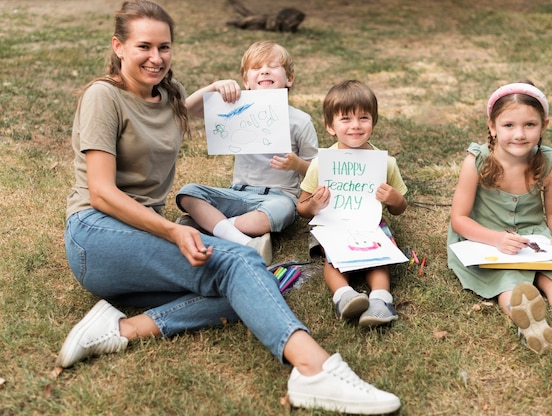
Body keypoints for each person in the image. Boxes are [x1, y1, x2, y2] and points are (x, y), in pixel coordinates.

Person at [56, 2, 401, 414]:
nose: (156, 57)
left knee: (251, 289)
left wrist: (217, 89)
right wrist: (173, 230)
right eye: (143, 46)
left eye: (164, 47)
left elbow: (183, 110)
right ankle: (315, 369)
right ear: (118, 46)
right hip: (96, 234)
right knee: (240, 264)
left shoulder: (166, 93)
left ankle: (121, 328)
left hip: (136, 243)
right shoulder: (103, 96)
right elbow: (100, 193)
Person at [447, 81, 552, 354]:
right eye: (509, 125)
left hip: (533, 237)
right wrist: (496, 239)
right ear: (492, 126)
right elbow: (459, 219)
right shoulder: (476, 162)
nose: (519, 134)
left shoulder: (550, 166)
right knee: (508, 282)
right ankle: (531, 326)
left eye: (529, 125)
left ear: (544, 125)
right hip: (485, 239)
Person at [175, 40, 319, 265]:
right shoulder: (235, 109)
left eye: (273, 66)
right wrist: (214, 87)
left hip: (278, 197)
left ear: (289, 78)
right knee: (188, 193)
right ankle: (242, 239)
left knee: (283, 211)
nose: (264, 70)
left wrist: (296, 164)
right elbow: (188, 109)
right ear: (246, 82)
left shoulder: (300, 121)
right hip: (238, 194)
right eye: (256, 68)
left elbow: (315, 169)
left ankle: (215, 227)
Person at [297, 80, 408, 327]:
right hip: (332, 225)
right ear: (330, 126)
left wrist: (394, 199)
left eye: (363, 118)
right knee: (333, 258)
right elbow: (302, 207)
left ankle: (381, 300)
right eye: (345, 119)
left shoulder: (385, 163)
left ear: (374, 122)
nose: (355, 125)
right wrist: (314, 204)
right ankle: (344, 296)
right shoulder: (321, 164)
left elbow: (400, 208)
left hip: (370, 225)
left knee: (378, 259)